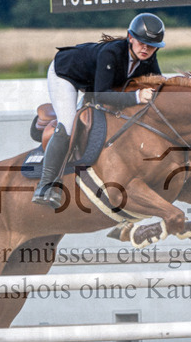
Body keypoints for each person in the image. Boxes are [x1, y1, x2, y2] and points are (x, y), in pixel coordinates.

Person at [32, 12, 166, 207]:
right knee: (68, 126)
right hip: (66, 74)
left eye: (151, 46)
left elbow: (160, 88)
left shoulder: (148, 59)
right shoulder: (111, 53)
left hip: (92, 81)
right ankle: (46, 186)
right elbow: (100, 95)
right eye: (141, 42)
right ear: (130, 38)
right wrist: (137, 97)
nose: (145, 49)